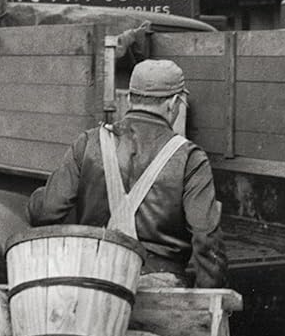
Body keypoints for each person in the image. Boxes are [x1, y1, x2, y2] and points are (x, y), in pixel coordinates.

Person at [28, 57, 228, 288]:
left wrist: (39, 198)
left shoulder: (88, 143)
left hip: (95, 280)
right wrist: (209, 298)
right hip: (159, 282)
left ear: (131, 99)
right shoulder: (190, 158)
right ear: (173, 103)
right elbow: (206, 239)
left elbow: (45, 213)